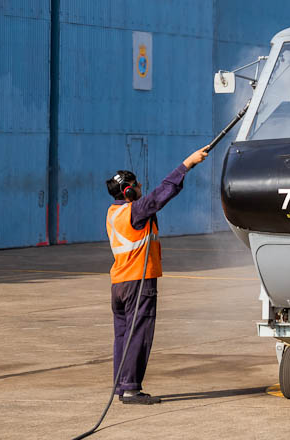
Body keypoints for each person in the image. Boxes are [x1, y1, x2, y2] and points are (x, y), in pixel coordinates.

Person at [104, 147, 208, 405]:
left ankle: (122, 384)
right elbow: (163, 192)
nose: (140, 186)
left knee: (123, 337)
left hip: (119, 284)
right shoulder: (134, 211)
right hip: (138, 282)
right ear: (128, 190)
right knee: (138, 335)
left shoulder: (113, 212)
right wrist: (187, 164)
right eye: (136, 184)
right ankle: (130, 389)